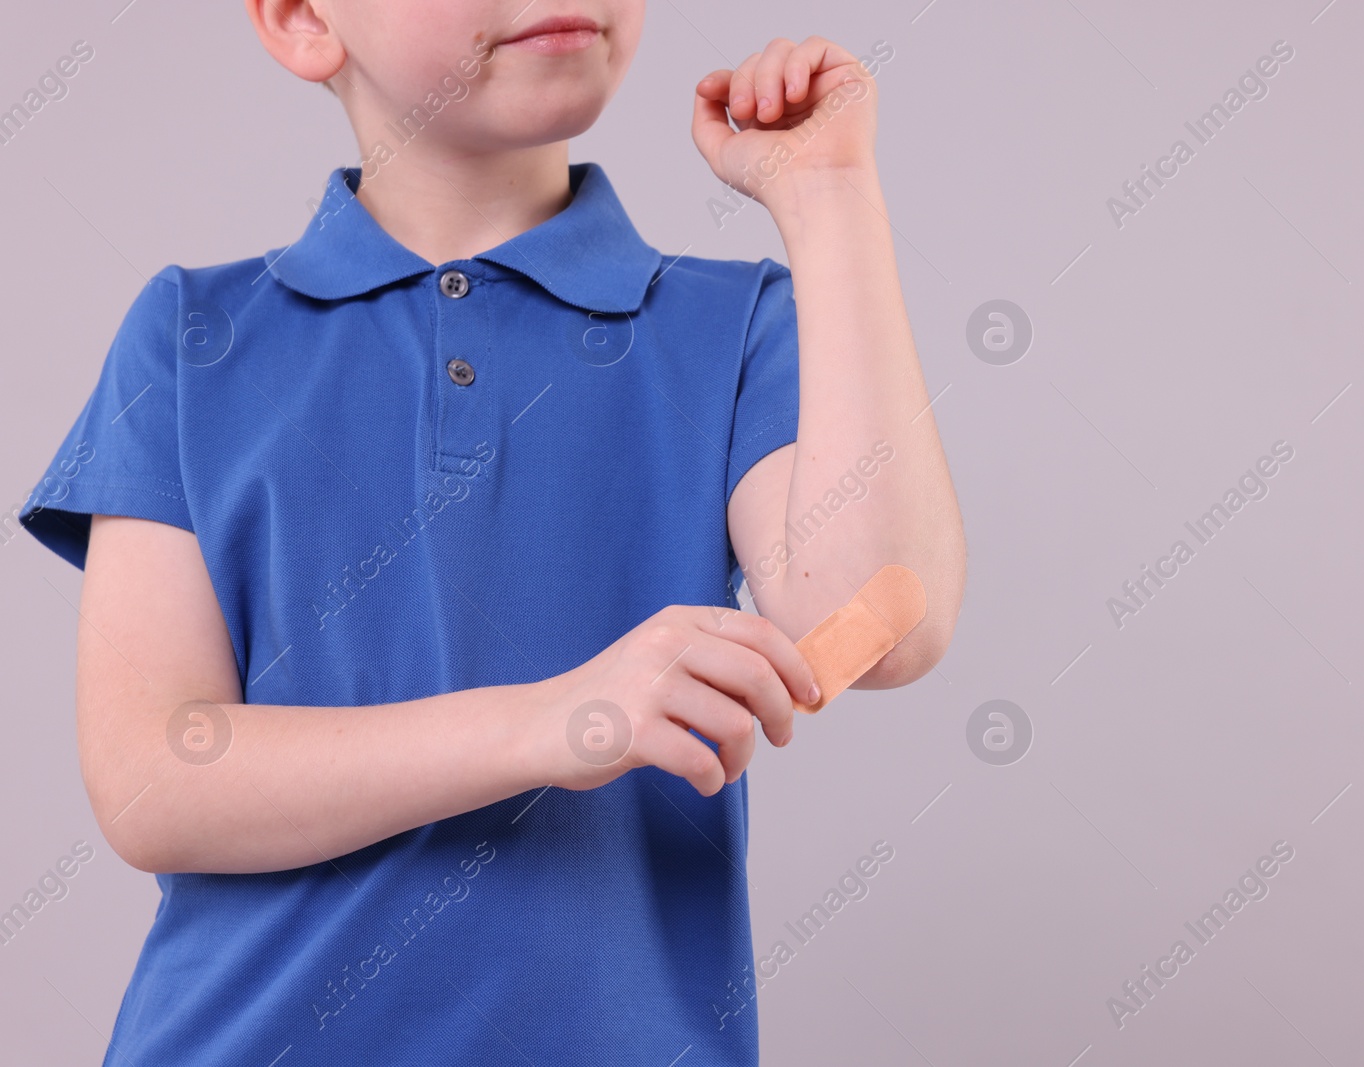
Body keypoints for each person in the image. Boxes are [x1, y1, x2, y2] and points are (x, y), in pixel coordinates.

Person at [14, 2, 965, 1062]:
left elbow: (875, 619)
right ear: (300, 20)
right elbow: (153, 779)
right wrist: (552, 722)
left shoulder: (730, 327)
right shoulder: (193, 339)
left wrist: (829, 198)